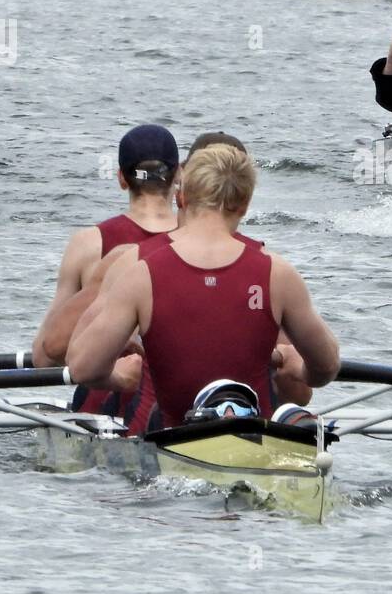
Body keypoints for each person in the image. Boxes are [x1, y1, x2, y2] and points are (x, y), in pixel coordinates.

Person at [67, 144, 340, 428]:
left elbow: (85, 367)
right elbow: (327, 367)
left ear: (182, 197)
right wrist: (299, 368)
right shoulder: (278, 273)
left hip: (168, 438)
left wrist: (119, 378)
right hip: (254, 439)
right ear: (245, 204)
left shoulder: (141, 273)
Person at [32, 124, 181, 371]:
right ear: (177, 175)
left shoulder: (87, 244)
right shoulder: (204, 242)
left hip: (102, 401)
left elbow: (43, 357)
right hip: (178, 400)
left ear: (122, 178)